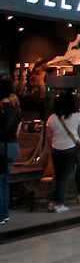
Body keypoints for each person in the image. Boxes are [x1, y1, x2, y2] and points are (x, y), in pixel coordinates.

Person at [44, 90, 80, 213]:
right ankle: (59, 203)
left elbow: (48, 137)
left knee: (57, 177)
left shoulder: (51, 118)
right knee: (66, 177)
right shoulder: (77, 116)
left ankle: (51, 202)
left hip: (56, 150)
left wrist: (52, 146)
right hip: (70, 149)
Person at [0, 79, 22, 225]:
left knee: (0, 181)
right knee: (4, 180)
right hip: (12, 145)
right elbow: (17, 132)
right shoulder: (16, 110)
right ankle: (4, 213)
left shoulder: (0, 108)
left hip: (1, 145)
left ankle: (2, 214)